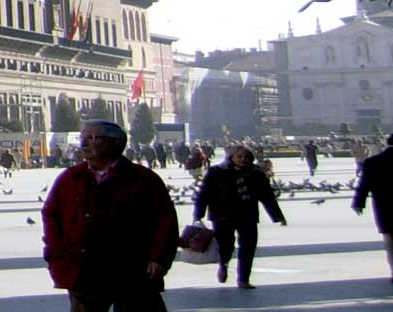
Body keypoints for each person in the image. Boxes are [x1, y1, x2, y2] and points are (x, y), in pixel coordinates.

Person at [42, 119, 177, 312]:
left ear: (114, 143)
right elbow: (51, 216)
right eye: (83, 138)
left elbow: (165, 222)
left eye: (91, 138)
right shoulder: (70, 179)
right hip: (84, 269)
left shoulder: (143, 179)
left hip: (133, 269)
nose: (83, 144)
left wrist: (158, 258)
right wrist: (56, 253)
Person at [195, 144, 285, 288]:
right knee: (226, 245)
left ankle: (243, 279)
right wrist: (198, 214)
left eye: (246, 157)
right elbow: (203, 194)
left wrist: (277, 216)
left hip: (247, 215)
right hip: (222, 215)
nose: (243, 159)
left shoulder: (256, 173)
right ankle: (223, 263)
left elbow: (267, 196)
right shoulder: (216, 172)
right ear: (231, 157)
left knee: (248, 246)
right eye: (240, 156)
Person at [353, 130, 393, 284]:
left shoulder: (373, 161)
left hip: (382, 204)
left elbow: (364, 184)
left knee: (389, 238)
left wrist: (358, 202)